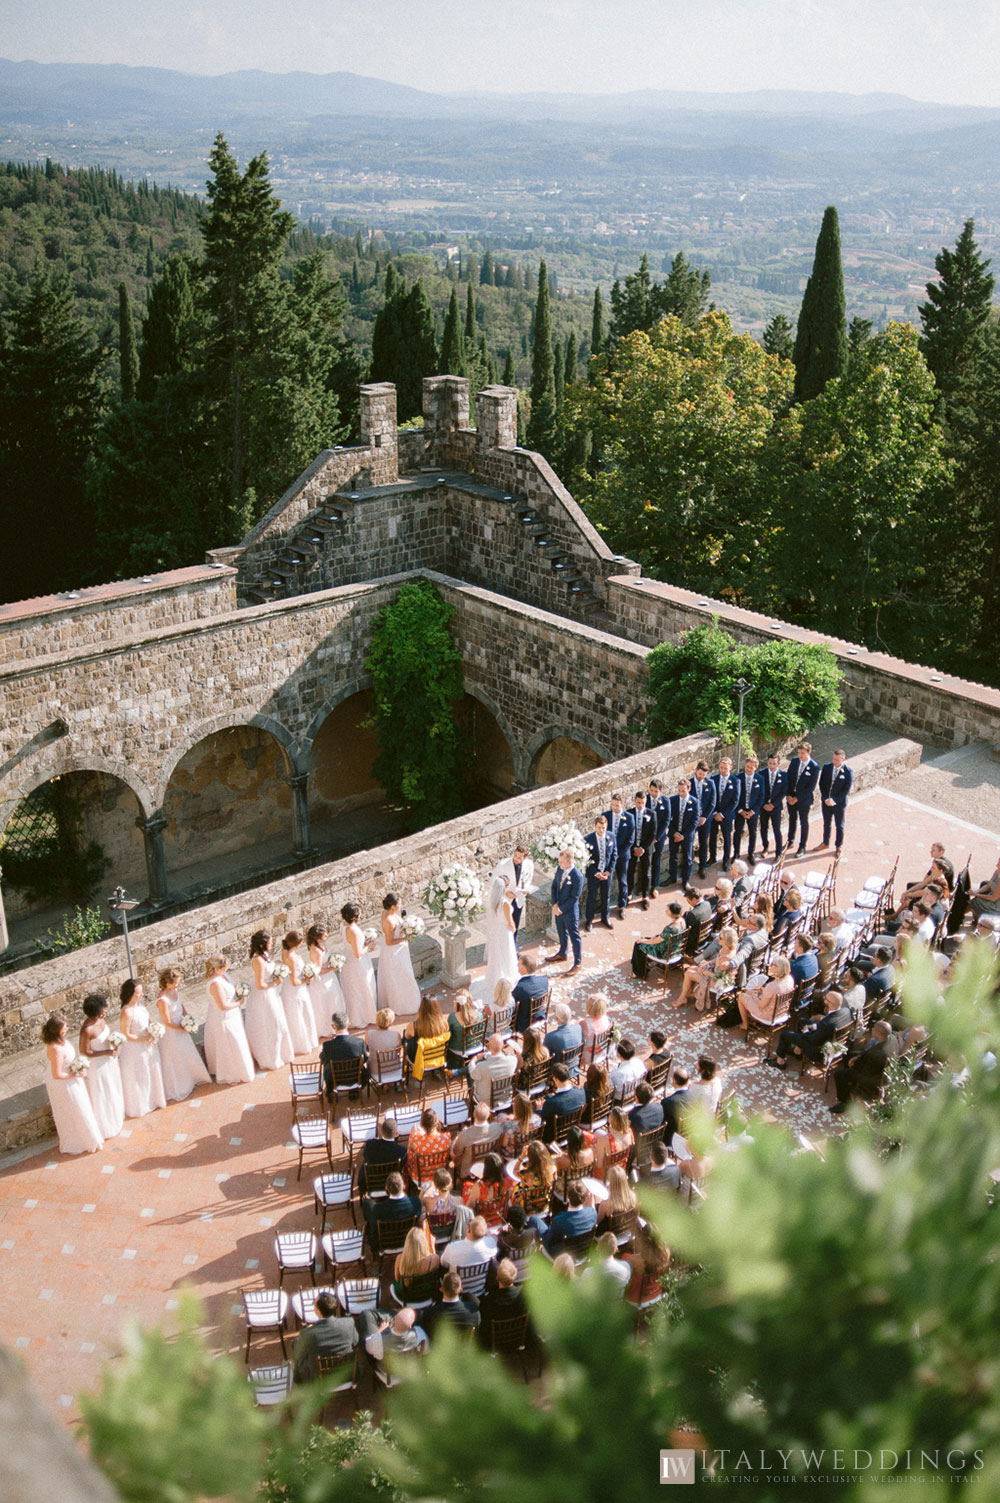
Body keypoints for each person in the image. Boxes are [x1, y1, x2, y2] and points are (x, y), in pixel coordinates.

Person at [42, 1013, 103, 1155]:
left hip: (72, 1078)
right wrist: (75, 1074)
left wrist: (78, 1067)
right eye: (64, 1027)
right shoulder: (55, 1048)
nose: (67, 1029)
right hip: (63, 1084)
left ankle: (89, 1139)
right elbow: (56, 1074)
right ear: (56, 1030)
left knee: (82, 1106)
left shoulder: (62, 1040)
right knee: (76, 1108)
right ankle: (80, 1141)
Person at [155, 966, 211, 1101]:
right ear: (167, 983)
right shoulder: (162, 1000)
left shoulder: (175, 992)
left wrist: (188, 1019)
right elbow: (167, 1021)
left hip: (182, 1027)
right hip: (172, 1034)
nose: (179, 985)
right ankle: (180, 1086)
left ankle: (192, 1078)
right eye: (176, 982)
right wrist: (183, 1029)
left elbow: (182, 1007)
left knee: (186, 1053)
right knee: (175, 1057)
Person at [765, 989, 853, 1070]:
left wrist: (806, 1031)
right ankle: (797, 1052)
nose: (824, 999)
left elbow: (813, 1040)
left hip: (817, 1050)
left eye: (826, 998)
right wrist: (814, 1026)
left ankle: (780, 1062)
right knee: (802, 1021)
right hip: (828, 1037)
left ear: (830, 1004)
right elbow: (825, 1028)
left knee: (785, 1034)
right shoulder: (846, 1011)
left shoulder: (826, 1023)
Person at [245, 930, 294, 1072]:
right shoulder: (258, 960)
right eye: (270, 942)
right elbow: (260, 984)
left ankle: (281, 1053)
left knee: (278, 1023)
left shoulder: (265, 956)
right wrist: (275, 982)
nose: (272, 944)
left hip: (271, 993)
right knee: (270, 1024)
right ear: (262, 944)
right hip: (263, 996)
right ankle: (269, 1058)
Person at [118, 979, 167, 1119]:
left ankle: (154, 1100)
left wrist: (153, 1030)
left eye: (141, 992)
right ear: (130, 994)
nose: (141, 995)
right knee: (140, 1075)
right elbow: (125, 1034)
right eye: (138, 993)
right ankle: (142, 1105)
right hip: (135, 1049)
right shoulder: (126, 1011)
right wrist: (144, 1039)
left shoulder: (141, 1005)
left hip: (148, 1044)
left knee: (151, 1071)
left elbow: (148, 1020)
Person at [204, 955, 255, 1085]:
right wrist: (239, 1002)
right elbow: (223, 1006)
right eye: (224, 968)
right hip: (223, 1018)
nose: (226, 970)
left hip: (233, 1016)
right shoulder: (215, 984)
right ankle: (232, 1072)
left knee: (237, 1041)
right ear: (216, 969)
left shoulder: (223, 976)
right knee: (229, 1045)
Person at [78, 995, 124, 1140]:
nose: (104, 1012)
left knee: (112, 1088)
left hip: (110, 1061)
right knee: (102, 1093)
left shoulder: (102, 1020)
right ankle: (105, 1126)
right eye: (102, 1011)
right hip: (97, 1066)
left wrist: (114, 1043)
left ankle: (116, 1116)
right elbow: (84, 1051)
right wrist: (106, 1052)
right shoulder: (87, 1029)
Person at [291, 1291, 359, 1384]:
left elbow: (300, 1356)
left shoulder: (306, 1334)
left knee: (297, 1345)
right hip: (346, 1376)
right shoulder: (349, 1323)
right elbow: (355, 1342)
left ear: (318, 1311)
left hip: (320, 1381)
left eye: (314, 1304)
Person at [830, 1021, 897, 1113]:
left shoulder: (878, 1053)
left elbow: (865, 1070)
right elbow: (867, 1056)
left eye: (874, 1028)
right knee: (848, 1055)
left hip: (872, 1077)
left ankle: (845, 1102)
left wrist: (853, 1064)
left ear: (879, 1033)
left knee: (839, 1075)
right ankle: (850, 1081)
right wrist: (857, 1057)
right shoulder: (892, 1038)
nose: (872, 1029)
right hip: (877, 1066)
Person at [675, 927, 740, 1012]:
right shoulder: (727, 948)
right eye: (719, 935)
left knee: (689, 973)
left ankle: (682, 998)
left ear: (727, 941)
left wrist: (704, 971)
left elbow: (718, 977)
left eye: (720, 938)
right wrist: (708, 963)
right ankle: (689, 992)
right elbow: (717, 958)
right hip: (717, 973)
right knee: (692, 968)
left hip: (719, 982)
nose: (718, 938)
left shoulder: (726, 959)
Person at [378, 892, 421, 1016]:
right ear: (392, 906)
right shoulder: (388, 920)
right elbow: (389, 942)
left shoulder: (391, 914)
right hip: (394, 953)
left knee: (404, 975)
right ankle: (402, 1005)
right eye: (399, 903)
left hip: (400, 950)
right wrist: (406, 937)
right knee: (400, 976)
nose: (401, 905)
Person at [482, 873, 519, 1002]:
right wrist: (513, 928)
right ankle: (505, 981)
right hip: (504, 933)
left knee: (496, 956)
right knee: (506, 955)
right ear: (506, 887)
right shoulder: (505, 904)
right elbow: (510, 922)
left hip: (495, 932)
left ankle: (495, 979)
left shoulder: (491, 900)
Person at [339, 903, 377, 1029]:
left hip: (348, 959)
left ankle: (355, 1016)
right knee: (362, 988)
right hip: (358, 964)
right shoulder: (354, 931)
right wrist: (368, 946)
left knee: (352, 988)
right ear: (355, 916)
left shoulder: (343, 925)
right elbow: (358, 953)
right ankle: (363, 1017)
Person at [305, 922, 345, 1041]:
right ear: (318, 937)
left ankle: (336, 1025)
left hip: (329, 977)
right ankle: (327, 1028)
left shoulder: (321, 944)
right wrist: (332, 968)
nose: (327, 934)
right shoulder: (316, 951)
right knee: (326, 1003)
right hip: (322, 981)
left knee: (333, 1000)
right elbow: (318, 971)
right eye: (324, 934)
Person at [737, 955, 794, 1036]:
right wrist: (762, 991)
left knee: (741, 996)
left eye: (772, 964)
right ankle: (751, 1020)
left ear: (778, 969)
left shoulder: (772, 986)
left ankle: (745, 1024)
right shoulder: (790, 979)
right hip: (782, 1011)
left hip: (767, 1015)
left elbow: (761, 1005)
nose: (770, 966)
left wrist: (753, 993)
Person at [546, 850, 583, 973]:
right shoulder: (560, 868)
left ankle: (577, 963)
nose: (559, 864)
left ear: (569, 861)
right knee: (561, 932)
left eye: (561, 862)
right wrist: (555, 904)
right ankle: (563, 953)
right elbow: (554, 886)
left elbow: (574, 898)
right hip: (558, 908)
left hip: (570, 911)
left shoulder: (577, 876)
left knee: (574, 936)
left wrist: (561, 909)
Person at [365, 1170, 422, 1249]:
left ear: (386, 1188)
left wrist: (373, 1244)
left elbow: (373, 1232)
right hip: (408, 1243)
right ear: (404, 1186)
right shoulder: (415, 1202)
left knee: (367, 1203)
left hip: (386, 1244)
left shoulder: (378, 1209)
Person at [541, 1181, 597, 1255]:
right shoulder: (592, 1212)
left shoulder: (559, 1220)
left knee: (535, 1221)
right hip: (583, 1251)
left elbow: (549, 1240)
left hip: (562, 1255)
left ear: (567, 1196)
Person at [631, 901, 686, 979]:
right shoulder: (682, 921)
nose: (666, 911)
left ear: (672, 913)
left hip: (664, 952)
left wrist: (643, 941)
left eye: (667, 910)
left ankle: (638, 973)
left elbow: (655, 941)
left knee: (638, 944)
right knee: (647, 939)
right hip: (676, 949)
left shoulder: (670, 929)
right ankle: (640, 963)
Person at [320, 1012, 367, 1102]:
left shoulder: (327, 1045)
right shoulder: (359, 1042)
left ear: (333, 1026)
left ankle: (330, 1091)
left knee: (326, 1064)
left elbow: (324, 1061)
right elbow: (364, 1059)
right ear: (348, 1025)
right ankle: (353, 1090)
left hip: (335, 1080)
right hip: (355, 1079)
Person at [391, 1225, 441, 1306]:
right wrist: (432, 1248)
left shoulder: (400, 1258)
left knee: (392, 1286)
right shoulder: (434, 1259)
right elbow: (436, 1263)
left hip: (406, 1297)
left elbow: (397, 1279)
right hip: (427, 1295)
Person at [602, 791, 634, 917]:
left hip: (622, 855)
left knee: (622, 880)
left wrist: (618, 853)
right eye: (613, 805)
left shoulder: (629, 817)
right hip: (608, 856)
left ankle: (622, 905)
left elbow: (630, 839)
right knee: (607, 881)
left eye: (617, 805)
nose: (615, 808)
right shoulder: (605, 816)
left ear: (622, 804)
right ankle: (605, 907)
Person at [478, 1258, 529, 1338]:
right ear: (514, 1277)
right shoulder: (523, 1296)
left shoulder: (489, 1301)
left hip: (495, 1342)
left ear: (497, 1277)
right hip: (516, 1337)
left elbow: (484, 1326)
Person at [357, 1115, 408, 1196]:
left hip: (370, 1184)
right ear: (396, 1134)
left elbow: (365, 1156)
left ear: (381, 1131)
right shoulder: (401, 1151)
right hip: (391, 1184)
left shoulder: (370, 1145)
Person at [492, 844, 534, 940]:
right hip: (506, 898)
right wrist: (505, 892)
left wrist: (525, 889)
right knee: (505, 923)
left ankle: (513, 945)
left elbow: (528, 879)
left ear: (525, 857)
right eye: (515, 855)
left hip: (519, 898)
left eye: (519, 857)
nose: (516, 858)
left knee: (515, 924)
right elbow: (494, 881)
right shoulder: (503, 864)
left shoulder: (529, 864)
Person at [452, 1102, 503, 1179]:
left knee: (452, 1146)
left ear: (473, 1114)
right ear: (488, 1115)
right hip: (488, 1166)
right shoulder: (497, 1128)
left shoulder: (465, 1135)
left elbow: (456, 1151)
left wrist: (456, 1139)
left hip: (468, 1171)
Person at [785, 741, 819, 856]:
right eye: (799, 752)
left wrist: (797, 798)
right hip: (791, 797)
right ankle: (790, 841)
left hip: (803, 800)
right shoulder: (794, 761)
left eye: (802, 753)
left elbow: (811, 787)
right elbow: (788, 778)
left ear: (809, 753)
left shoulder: (814, 767)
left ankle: (802, 847)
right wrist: (788, 795)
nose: (800, 755)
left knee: (803, 822)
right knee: (792, 819)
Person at [425, 1271, 481, 1338]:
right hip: (464, 1348)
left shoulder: (430, 1314)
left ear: (441, 1289)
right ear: (460, 1290)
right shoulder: (473, 1312)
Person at [626, 790, 657, 910]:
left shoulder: (652, 814)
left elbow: (652, 833)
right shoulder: (629, 814)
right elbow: (628, 832)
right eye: (638, 802)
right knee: (630, 871)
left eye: (643, 803)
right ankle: (629, 894)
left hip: (646, 848)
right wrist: (634, 847)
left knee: (646, 872)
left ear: (646, 801)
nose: (640, 805)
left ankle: (645, 896)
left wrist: (642, 848)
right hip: (632, 847)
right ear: (634, 801)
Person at [540, 1062, 586, 1142]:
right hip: (572, 1131)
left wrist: (539, 1108)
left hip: (553, 1137)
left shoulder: (552, 1102)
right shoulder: (581, 1093)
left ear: (555, 1079)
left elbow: (543, 1117)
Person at [584, 814, 615, 930]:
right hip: (594, 874)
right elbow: (586, 859)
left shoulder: (611, 837)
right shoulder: (588, 839)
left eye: (604, 828)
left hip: (606, 874)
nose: (601, 830)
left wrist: (609, 871)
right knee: (591, 896)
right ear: (595, 827)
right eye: (599, 828)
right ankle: (589, 920)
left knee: (606, 896)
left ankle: (605, 917)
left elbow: (614, 855)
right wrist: (595, 873)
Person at [469, 1033, 518, 1106]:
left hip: (485, 1101)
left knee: (471, 1076)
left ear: (488, 1047)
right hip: (505, 1098)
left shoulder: (481, 1067)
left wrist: (473, 1061)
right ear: (503, 1046)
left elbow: (472, 1073)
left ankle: (474, 1107)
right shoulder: (513, 1060)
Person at [819, 748, 854, 851]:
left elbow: (846, 790)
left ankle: (838, 846)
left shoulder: (848, 772)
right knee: (826, 823)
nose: (834, 762)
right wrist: (826, 798)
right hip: (826, 802)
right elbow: (822, 784)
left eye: (837, 760)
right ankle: (825, 842)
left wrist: (833, 801)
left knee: (839, 825)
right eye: (834, 759)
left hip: (839, 804)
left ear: (843, 760)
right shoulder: (826, 768)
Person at [462, 1155, 511, 1227]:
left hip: (482, 1225)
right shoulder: (505, 1184)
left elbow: (469, 1207)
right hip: (499, 1221)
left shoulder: (478, 1186)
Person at [667, 777, 699, 886]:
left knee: (688, 858)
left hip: (687, 835)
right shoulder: (673, 800)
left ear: (689, 789)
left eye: (683, 791)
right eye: (679, 790)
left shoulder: (694, 802)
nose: (681, 793)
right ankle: (672, 877)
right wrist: (674, 833)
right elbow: (668, 819)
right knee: (673, 856)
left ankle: (686, 880)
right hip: (674, 833)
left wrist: (683, 835)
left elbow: (694, 822)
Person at [709, 757, 739, 871]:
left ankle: (726, 860)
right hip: (714, 814)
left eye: (725, 768)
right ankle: (712, 857)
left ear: (730, 767)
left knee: (727, 837)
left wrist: (722, 814)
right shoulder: (713, 779)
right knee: (712, 836)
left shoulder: (736, 781)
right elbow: (711, 797)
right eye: (721, 768)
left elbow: (735, 801)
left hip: (726, 815)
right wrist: (715, 812)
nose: (722, 770)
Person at [406, 1106, 452, 1182]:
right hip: (439, 1176)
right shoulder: (446, 1138)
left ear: (422, 1124)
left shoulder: (416, 1140)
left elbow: (410, 1158)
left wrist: (414, 1133)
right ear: (437, 1122)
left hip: (419, 1178)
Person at [690, 761, 718, 878]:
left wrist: (704, 817)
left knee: (703, 842)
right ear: (696, 770)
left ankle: (702, 866)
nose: (701, 777)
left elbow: (712, 802)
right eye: (700, 773)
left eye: (703, 775)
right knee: (689, 842)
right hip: (692, 819)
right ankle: (688, 865)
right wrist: (695, 818)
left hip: (705, 819)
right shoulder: (689, 783)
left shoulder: (710, 783)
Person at [756, 753, 787, 859]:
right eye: (770, 763)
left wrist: (773, 804)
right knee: (763, 828)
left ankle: (778, 852)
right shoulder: (762, 773)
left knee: (776, 829)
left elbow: (783, 792)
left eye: (774, 763)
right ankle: (765, 847)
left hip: (776, 807)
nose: (772, 765)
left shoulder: (783, 775)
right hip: (763, 807)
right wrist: (764, 804)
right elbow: (759, 791)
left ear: (778, 763)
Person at [732, 756, 762, 864]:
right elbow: (735, 796)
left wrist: (752, 812)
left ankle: (751, 853)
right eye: (747, 767)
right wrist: (740, 811)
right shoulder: (738, 778)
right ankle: (736, 853)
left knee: (753, 832)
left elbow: (761, 797)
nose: (748, 769)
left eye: (751, 768)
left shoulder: (760, 779)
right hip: (740, 811)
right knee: (737, 832)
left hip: (752, 812)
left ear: (756, 767)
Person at [403, 995, 449, 1066]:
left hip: (418, 1059)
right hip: (438, 1056)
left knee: (406, 1036)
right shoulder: (444, 1023)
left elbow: (406, 1037)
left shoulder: (413, 1026)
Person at [496, 1091, 541, 1159]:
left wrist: (512, 1119)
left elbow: (504, 1144)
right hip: (528, 1150)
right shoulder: (537, 1119)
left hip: (511, 1155)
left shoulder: (509, 1126)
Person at [593, 1104, 634, 1177]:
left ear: (610, 1120)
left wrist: (594, 1153)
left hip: (609, 1175)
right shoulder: (630, 1132)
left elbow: (599, 1165)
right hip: (623, 1169)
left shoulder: (604, 1140)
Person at [512, 955, 549, 1035]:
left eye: (519, 964)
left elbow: (513, 1004)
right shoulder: (544, 980)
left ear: (524, 969)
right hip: (541, 1015)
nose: (517, 966)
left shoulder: (520, 987)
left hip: (525, 1023)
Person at [647, 777, 670, 895]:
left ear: (660, 791)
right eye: (651, 790)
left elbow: (666, 821)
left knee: (656, 861)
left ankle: (654, 885)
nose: (653, 793)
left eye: (656, 791)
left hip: (658, 838)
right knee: (646, 862)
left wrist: (656, 837)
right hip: (646, 838)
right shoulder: (645, 800)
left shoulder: (666, 802)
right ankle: (645, 884)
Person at [580, 991, 611, 1067]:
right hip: (603, 1051)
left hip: (590, 1055)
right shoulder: (606, 1019)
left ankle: (580, 1065)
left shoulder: (584, 1023)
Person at [682, 884, 713, 956]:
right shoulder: (707, 904)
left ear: (694, 899)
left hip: (693, 944)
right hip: (705, 938)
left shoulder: (692, 914)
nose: (688, 903)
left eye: (688, 901)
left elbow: (684, 929)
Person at [971, 854, 1000, 922]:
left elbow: (993, 898)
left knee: (976, 901)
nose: (997, 864)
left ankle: (978, 922)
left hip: (997, 905)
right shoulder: (997, 872)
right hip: (993, 896)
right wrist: (976, 891)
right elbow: (988, 886)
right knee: (984, 883)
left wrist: (976, 895)